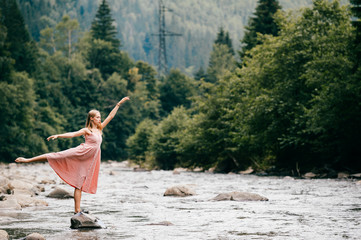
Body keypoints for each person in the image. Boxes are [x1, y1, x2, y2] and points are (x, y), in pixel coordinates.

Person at [15, 96, 130, 214]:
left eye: (100, 117)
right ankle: (27, 160)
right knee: (56, 155)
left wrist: (118, 104)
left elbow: (110, 116)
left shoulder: (99, 129)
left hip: (88, 160)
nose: (100, 119)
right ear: (91, 119)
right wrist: (58, 135)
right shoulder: (87, 130)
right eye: (97, 117)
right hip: (81, 153)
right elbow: (72, 134)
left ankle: (77, 210)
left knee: (79, 184)